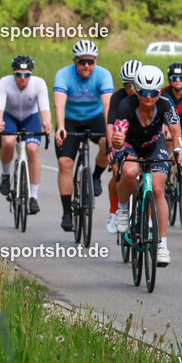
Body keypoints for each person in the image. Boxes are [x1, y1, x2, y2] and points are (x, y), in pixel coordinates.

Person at [111, 65, 182, 266]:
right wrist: (117, 141)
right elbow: (118, 138)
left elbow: (176, 130)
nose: (149, 97)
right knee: (130, 171)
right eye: (144, 92)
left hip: (154, 144)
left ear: (159, 91)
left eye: (153, 93)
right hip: (130, 144)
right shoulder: (127, 105)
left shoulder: (165, 103)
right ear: (136, 91)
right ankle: (123, 208)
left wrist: (178, 150)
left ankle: (162, 245)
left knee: (158, 189)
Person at [53, 40, 114, 232]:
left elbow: (108, 106)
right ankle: (66, 212)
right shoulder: (63, 74)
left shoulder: (103, 75)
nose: (86, 65)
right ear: (75, 61)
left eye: (90, 61)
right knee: (65, 163)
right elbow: (59, 104)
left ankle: (95, 176)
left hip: (94, 117)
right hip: (70, 119)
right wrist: (60, 127)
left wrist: (110, 134)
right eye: (82, 62)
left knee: (106, 142)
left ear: (96, 61)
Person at [0, 55, 52, 214]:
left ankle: (33, 197)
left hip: (30, 118)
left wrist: (47, 123)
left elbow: (44, 109)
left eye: (27, 74)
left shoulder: (39, 84)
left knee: (33, 149)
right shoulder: (5, 83)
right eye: (19, 74)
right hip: (10, 117)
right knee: (8, 141)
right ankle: (5, 175)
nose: (23, 78)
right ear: (13, 73)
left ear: (31, 74)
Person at [105, 59, 142, 234]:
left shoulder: (147, 96)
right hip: (122, 139)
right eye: (127, 84)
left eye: (134, 83)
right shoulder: (118, 97)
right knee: (116, 171)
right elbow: (110, 124)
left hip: (142, 140)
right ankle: (114, 211)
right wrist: (110, 148)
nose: (131, 88)